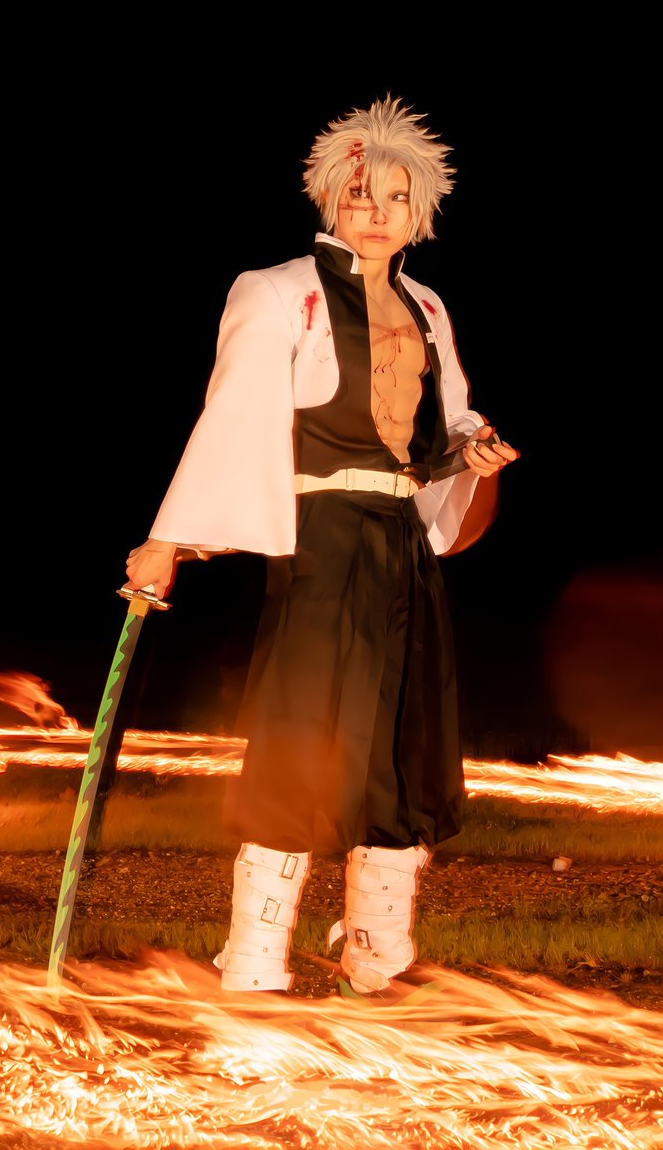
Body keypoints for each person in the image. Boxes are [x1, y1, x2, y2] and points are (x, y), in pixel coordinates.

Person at [124, 96, 520, 997]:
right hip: (324, 540)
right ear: (329, 197)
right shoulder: (276, 291)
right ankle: (255, 956)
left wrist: (473, 450)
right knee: (302, 730)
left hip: (400, 543)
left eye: (394, 197)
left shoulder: (428, 306)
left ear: (420, 210)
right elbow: (232, 416)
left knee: (402, 740)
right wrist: (167, 540)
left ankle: (377, 954)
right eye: (358, 193)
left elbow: (447, 421)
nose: (374, 211)